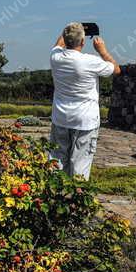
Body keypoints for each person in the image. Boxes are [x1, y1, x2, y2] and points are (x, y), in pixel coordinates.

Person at [49, 22, 120, 180]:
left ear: (66, 39)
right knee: (80, 165)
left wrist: (72, 27)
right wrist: (102, 51)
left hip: (61, 118)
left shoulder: (55, 57)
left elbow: (58, 44)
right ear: (82, 41)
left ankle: (53, 198)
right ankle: (76, 201)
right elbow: (116, 69)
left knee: (57, 161)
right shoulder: (90, 61)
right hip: (85, 121)